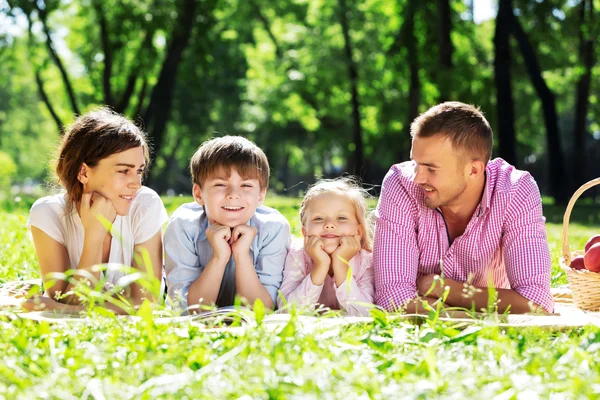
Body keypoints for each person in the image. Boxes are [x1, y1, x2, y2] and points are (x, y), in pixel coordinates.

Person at [373, 101, 554, 314]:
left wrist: (442, 288)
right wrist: (463, 315)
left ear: (474, 170)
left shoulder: (515, 191)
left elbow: (536, 303)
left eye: (431, 168)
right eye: (416, 163)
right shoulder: (400, 184)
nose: (417, 178)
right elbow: (392, 298)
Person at [27, 108, 168, 312]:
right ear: (84, 172)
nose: (136, 184)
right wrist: (93, 237)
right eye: (124, 171)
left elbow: (146, 304)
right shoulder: (48, 214)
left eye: (139, 171)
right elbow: (62, 297)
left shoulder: (145, 205)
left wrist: (65, 310)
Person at [164, 136, 290, 313]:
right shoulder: (183, 225)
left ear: (261, 195)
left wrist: (242, 255)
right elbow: (187, 310)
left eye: (246, 185)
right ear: (198, 194)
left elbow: (262, 310)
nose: (233, 194)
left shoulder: (273, 228)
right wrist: (219, 257)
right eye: (221, 184)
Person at [278, 177, 374, 316]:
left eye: (341, 218)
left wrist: (341, 265)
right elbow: (287, 311)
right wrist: (320, 266)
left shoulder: (366, 261)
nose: (329, 224)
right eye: (318, 218)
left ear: (358, 231)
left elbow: (364, 314)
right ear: (305, 232)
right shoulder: (297, 256)